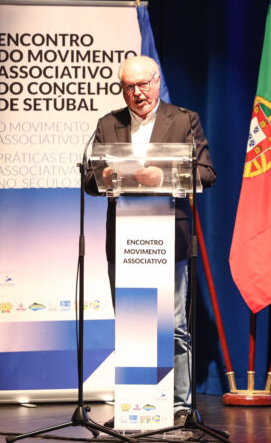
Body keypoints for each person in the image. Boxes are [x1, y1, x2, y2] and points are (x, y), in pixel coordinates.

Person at [84, 55, 215, 423]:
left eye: (143, 84)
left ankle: (179, 405)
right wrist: (107, 175)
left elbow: (206, 173)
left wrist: (164, 175)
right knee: (131, 322)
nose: (137, 93)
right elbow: (89, 179)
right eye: (129, 86)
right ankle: (132, 407)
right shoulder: (108, 124)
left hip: (168, 237)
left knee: (172, 323)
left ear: (157, 82)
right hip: (125, 238)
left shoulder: (184, 120)